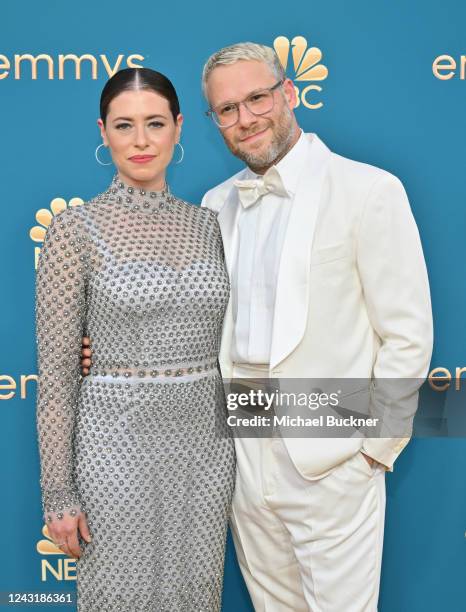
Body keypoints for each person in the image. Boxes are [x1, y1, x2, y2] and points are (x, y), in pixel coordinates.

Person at [198, 43, 433, 611]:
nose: (244, 118)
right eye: (226, 109)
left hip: (333, 450)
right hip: (243, 451)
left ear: (289, 93)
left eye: (256, 98)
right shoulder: (214, 205)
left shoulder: (368, 190)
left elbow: (407, 333)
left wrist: (374, 451)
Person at [35, 67, 235, 612]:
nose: (141, 141)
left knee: (197, 595)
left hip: (207, 445)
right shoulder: (74, 230)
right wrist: (59, 494)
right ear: (103, 131)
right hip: (114, 442)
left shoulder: (212, 224)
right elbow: (54, 376)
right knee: (119, 597)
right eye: (125, 126)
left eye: (154, 123)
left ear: (179, 127)